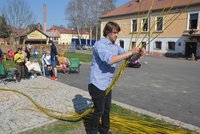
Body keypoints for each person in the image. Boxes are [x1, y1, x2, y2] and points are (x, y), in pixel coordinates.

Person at [88, 21, 144, 134]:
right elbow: (110, 60)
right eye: (114, 32)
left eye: (117, 33)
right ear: (107, 32)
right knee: (99, 110)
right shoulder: (100, 45)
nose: (116, 35)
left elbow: (130, 58)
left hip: (107, 84)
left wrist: (139, 53)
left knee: (107, 109)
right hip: (97, 84)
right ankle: (92, 131)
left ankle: (104, 130)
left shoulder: (115, 46)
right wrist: (130, 53)